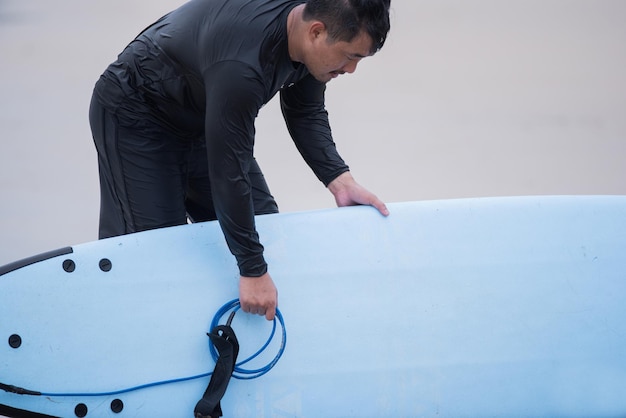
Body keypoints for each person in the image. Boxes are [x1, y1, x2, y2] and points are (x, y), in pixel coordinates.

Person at [89, 0, 392, 321]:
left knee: (267, 235)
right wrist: (252, 270)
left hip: (207, 112)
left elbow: (304, 109)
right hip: (137, 114)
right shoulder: (243, 66)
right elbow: (227, 173)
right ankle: (122, 326)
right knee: (154, 256)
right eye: (350, 56)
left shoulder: (312, 25)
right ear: (316, 32)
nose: (350, 70)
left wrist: (339, 179)